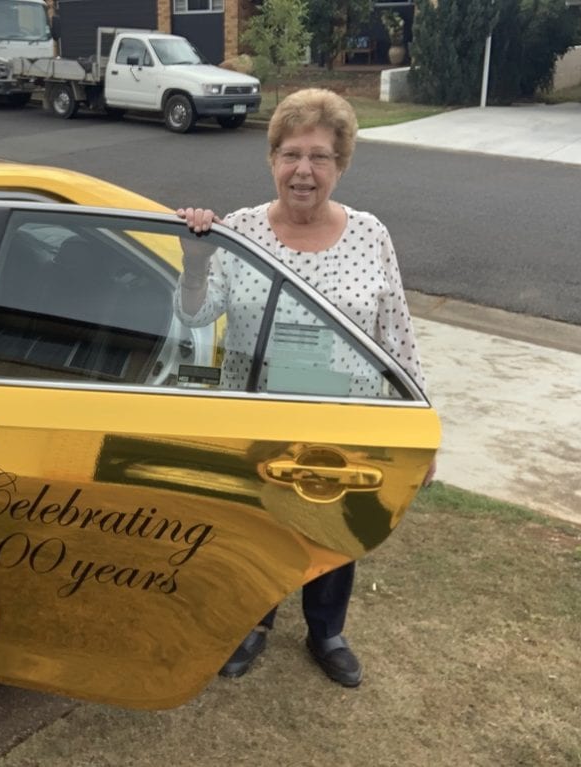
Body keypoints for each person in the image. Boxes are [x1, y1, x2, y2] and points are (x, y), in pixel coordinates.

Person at [176, 88, 434, 687]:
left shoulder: (371, 235)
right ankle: (252, 621)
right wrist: (193, 260)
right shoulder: (237, 231)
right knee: (258, 524)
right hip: (257, 415)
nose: (304, 171)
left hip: (341, 419)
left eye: (320, 157)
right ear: (272, 160)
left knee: (332, 523)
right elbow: (195, 316)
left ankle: (326, 629)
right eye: (292, 154)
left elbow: (397, 333)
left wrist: (420, 427)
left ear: (340, 164)